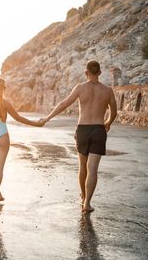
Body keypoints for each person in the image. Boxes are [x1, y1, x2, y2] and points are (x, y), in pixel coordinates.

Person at [41, 60, 117, 213]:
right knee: (93, 169)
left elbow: (64, 104)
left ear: (86, 72)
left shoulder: (80, 88)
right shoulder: (108, 91)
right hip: (98, 130)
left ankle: (83, 197)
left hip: (83, 130)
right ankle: (87, 203)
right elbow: (114, 111)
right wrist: (107, 122)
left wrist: (47, 118)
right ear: (100, 73)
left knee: (83, 167)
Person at [0, 77, 44, 210]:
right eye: (3, 87)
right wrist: (37, 124)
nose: (4, 89)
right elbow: (19, 118)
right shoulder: (4, 103)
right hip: (1, 136)